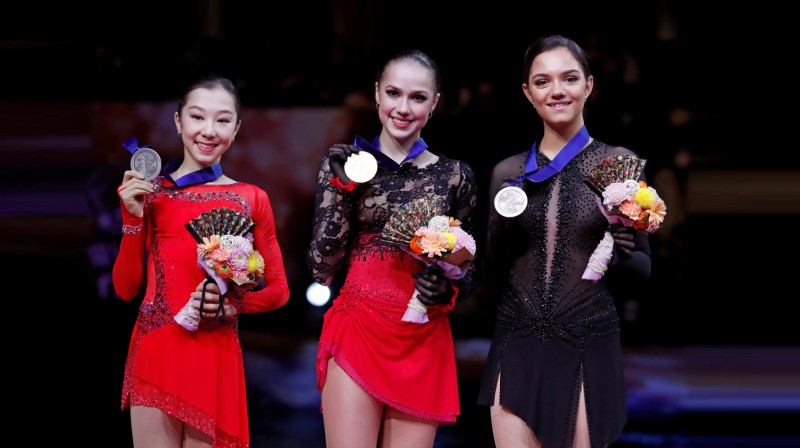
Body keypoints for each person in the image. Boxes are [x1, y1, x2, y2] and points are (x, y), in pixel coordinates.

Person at [476, 34, 652, 448]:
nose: (557, 91)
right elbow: (490, 272)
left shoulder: (618, 164)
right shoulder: (508, 173)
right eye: (543, 81)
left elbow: (645, 268)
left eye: (569, 78)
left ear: (588, 86)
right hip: (516, 341)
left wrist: (623, 252)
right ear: (527, 92)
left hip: (587, 342)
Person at [307, 48, 478, 448]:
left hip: (422, 336)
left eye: (417, 97)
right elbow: (321, 267)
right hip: (358, 328)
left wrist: (450, 287)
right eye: (394, 93)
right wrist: (340, 188)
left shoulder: (455, 176)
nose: (403, 107)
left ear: (434, 104)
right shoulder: (343, 165)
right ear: (377, 94)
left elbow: (469, 269)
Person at [112, 75, 290, 448]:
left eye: (222, 120)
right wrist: (132, 218)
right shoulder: (152, 194)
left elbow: (278, 291)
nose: (208, 131)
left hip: (215, 354)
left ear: (237, 129)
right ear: (178, 122)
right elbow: (126, 289)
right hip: (156, 352)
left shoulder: (252, 198)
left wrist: (231, 305)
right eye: (197, 117)